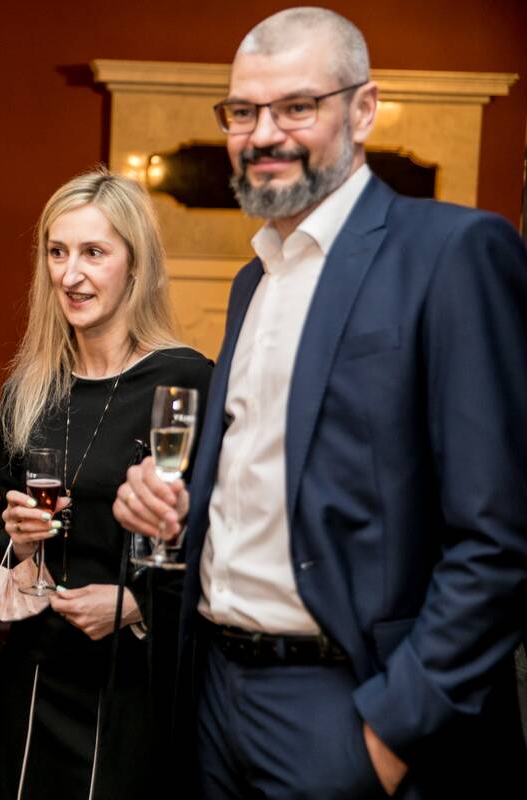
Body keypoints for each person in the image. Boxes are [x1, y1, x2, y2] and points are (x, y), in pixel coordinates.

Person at [114, 8, 527, 798]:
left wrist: (391, 733)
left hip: (346, 700)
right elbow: (274, 475)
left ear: (363, 109)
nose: (264, 134)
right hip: (215, 692)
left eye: (297, 107)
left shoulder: (451, 252)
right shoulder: (254, 281)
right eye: (243, 112)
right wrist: (178, 507)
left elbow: (501, 536)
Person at [0, 169, 212, 798]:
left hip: (135, 679)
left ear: (135, 265)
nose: (70, 274)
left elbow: (219, 536)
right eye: (57, 252)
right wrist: (20, 543)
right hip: (35, 674)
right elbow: (10, 545)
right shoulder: (28, 391)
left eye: (93, 252)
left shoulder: (185, 382)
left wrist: (138, 602)